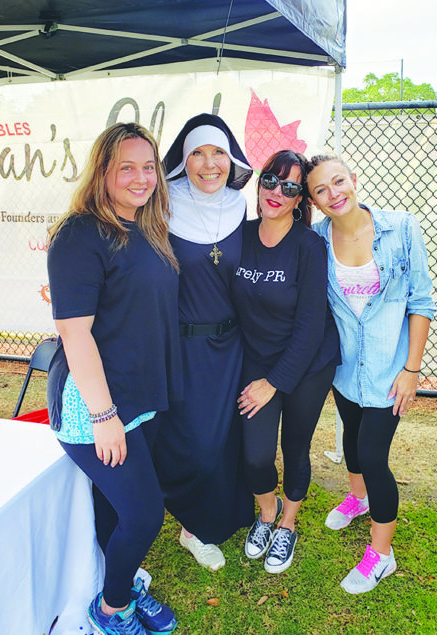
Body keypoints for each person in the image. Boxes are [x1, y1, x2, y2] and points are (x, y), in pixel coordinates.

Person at [47, 122, 181, 635]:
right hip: (95, 404)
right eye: (127, 167)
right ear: (102, 171)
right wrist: (105, 417)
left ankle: (115, 584)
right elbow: (74, 334)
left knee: (116, 506)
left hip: (138, 396)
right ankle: (110, 610)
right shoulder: (81, 234)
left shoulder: (146, 228)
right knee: (146, 514)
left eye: (148, 167)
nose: (141, 177)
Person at [307, 153, 436, 594]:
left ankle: (382, 555)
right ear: (314, 201)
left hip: (388, 371)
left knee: (373, 455)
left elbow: (421, 303)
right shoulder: (316, 240)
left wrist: (411, 370)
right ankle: (358, 499)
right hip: (346, 371)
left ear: (354, 179)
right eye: (321, 190)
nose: (333, 194)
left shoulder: (401, 228)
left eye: (338, 182)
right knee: (350, 438)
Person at [152, 113, 255, 571]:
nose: (209, 164)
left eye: (218, 153)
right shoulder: (161, 204)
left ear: (231, 159)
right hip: (183, 347)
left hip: (232, 347)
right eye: (197, 153)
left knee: (225, 439)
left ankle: (202, 526)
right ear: (183, 160)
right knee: (192, 441)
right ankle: (181, 514)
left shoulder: (240, 206)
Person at [232, 150, 340, 574]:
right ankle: (266, 512)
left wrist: (273, 383)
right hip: (257, 359)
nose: (277, 192)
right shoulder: (238, 235)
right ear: (259, 184)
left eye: (291, 187)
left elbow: (311, 327)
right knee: (255, 455)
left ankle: (288, 524)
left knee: (295, 446)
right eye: (272, 181)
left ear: (301, 201)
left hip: (309, 363)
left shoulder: (309, 247)